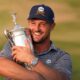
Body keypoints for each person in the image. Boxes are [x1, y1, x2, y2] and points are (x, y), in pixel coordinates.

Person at [0, 4, 72, 80]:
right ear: (28, 23)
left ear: (52, 26)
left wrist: (31, 59)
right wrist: (35, 77)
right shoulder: (16, 44)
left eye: (42, 24)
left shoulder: (61, 56)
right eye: (33, 23)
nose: (37, 29)